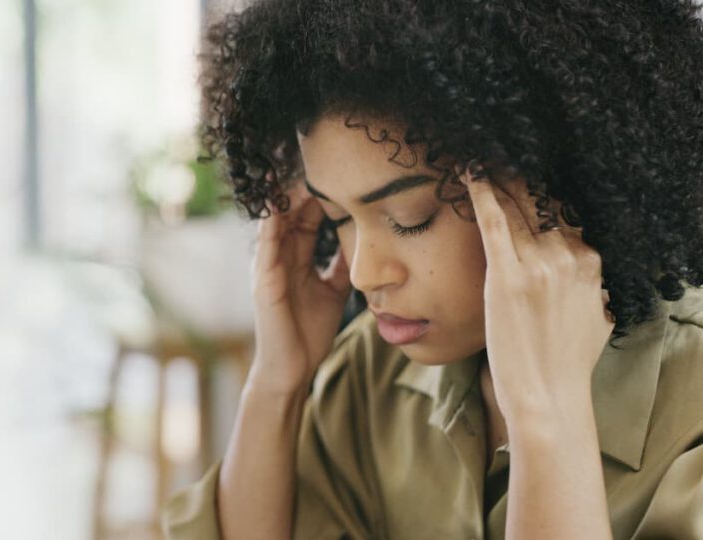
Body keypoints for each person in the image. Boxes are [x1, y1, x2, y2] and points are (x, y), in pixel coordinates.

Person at [161, 0, 703, 538]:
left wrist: (548, 420)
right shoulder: (373, 375)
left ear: (555, 180)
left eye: (409, 219)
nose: (363, 275)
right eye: (338, 217)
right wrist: (278, 381)